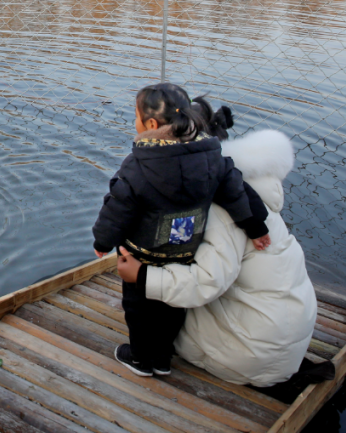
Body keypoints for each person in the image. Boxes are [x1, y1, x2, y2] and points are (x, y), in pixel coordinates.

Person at [92, 83, 271, 378]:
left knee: (139, 311)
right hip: (184, 249)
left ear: (150, 124)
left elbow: (118, 207)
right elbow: (236, 191)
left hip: (142, 254)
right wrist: (255, 227)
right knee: (173, 308)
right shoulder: (211, 157)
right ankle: (162, 358)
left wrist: (103, 239)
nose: (134, 122)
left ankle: (140, 359)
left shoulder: (139, 165)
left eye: (135, 116)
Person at [115, 128, 318, 387]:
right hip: (282, 341)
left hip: (250, 355)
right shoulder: (254, 205)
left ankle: (149, 358)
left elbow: (205, 282)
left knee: (161, 315)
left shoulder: (222, 212)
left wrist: (142, 275)